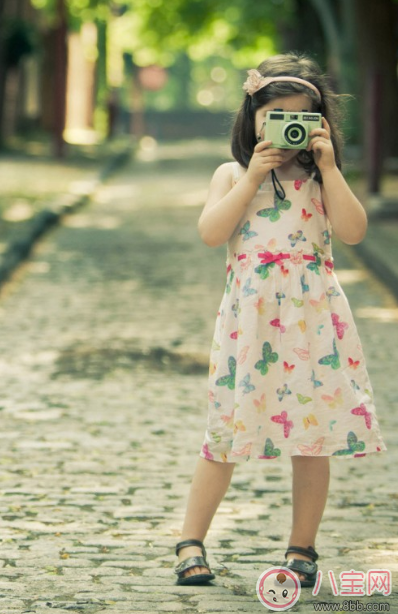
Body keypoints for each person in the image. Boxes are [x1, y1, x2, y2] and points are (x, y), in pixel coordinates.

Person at [174, 53, 386, 587]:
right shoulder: (231, 174)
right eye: (277, 116)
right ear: (253, 120)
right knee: (224, 432)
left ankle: (302, 547)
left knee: (311, 436)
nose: (289, 127)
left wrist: (331, 168)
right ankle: (190, 541)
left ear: (320, 124)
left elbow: (355, 232)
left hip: (313, 321)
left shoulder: (321, 179)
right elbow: (211, 233)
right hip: (252, 325)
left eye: (302, 117)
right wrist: (252, 178)